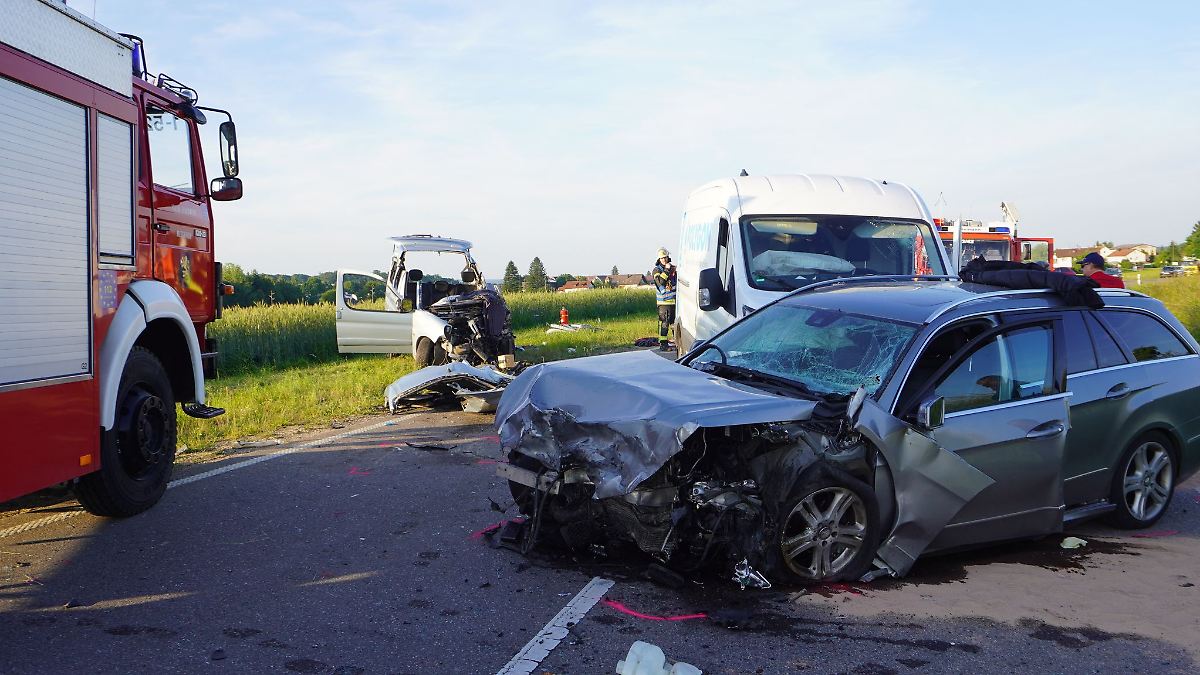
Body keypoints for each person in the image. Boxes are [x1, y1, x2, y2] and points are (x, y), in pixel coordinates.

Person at [652, 247, 677, 351]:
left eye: (665, 257)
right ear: (659, 259)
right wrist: (666, 270)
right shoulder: (656, 270)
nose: (664, 260)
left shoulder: (673, 268)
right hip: (663, 302)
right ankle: (663, 345)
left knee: (674, 324)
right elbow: (661, 282)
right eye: (662, 258)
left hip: (674, 301)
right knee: (665, 323)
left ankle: (677, 343)